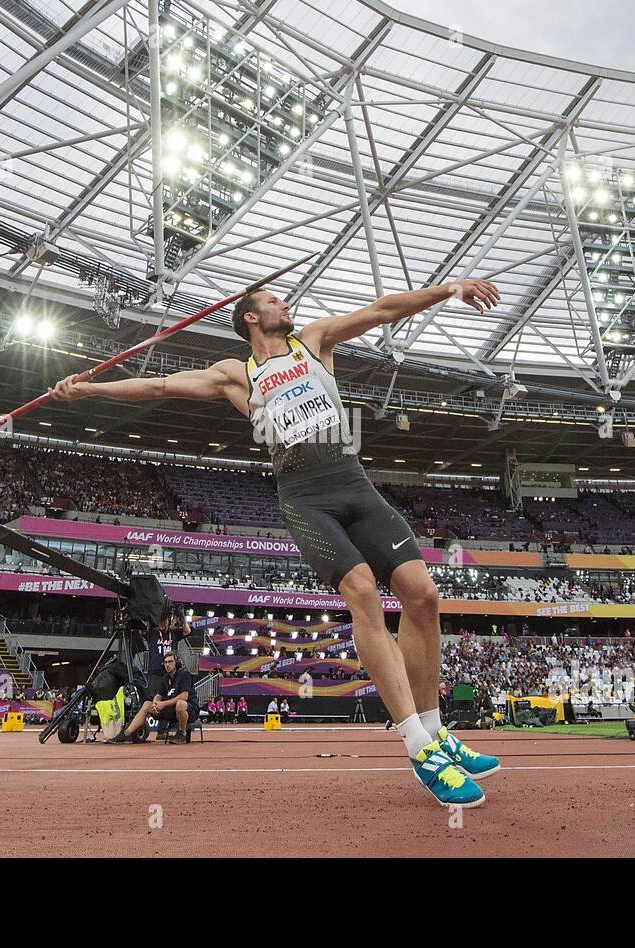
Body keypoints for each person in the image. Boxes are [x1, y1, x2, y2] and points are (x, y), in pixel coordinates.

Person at [51, 277, 501, 806]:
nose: (285, 303)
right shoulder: (235, 375)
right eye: (273, 301)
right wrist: (87, 389)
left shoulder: (315, 340)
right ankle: (419, 746)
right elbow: (161, 385)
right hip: (305, 496)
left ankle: (438, 730)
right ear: (249, 317)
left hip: (353, 483)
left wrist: (449, 290)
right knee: (360, 589)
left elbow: (382, 309)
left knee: (423, 595)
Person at [111, 652, 194, 745]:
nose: (167, 665)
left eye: (170, 662)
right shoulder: (166, 678)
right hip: (172, 710)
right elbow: (158, 695)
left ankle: (181, 734)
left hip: (189, 710)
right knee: (147, 704)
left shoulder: (184, 674)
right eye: (165, 662)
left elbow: (184, 696)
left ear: (177, 663)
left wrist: (163, 704)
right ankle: (126, 734)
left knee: (180, 704)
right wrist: (155, 703)